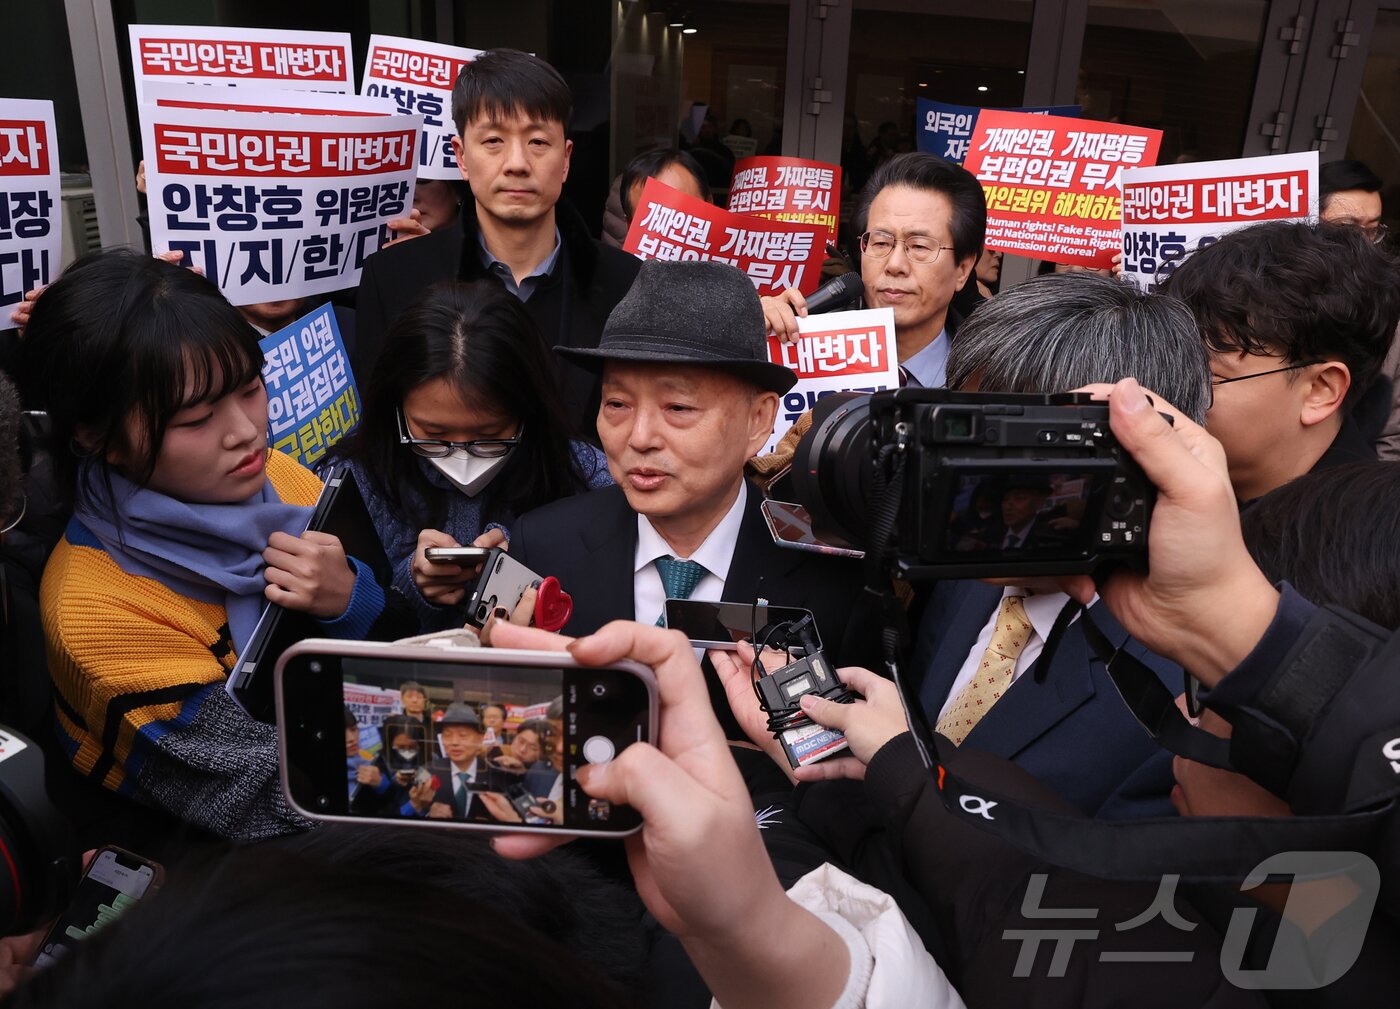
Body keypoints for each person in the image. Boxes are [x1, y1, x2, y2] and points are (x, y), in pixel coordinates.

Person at [17, 249, 398, 840]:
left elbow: (390, 627)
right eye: (196, 419)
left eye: (251, 389)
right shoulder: (96, 615)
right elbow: (275, 794)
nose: (247, 432)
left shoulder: (277, 475)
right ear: (97, 435)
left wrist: (353, 598)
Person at [508, 260, 878, 739]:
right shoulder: (542, 545)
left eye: (678, 408)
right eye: (617, 404)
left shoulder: (836, 576)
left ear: (759, 421)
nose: (639, 437)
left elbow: (849, 777)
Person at [915, 271, 1212, 818]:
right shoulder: (963, 569)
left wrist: (896, 766)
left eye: (1017, 449)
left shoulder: (1188, 701)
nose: (973, 484)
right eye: (966, 438)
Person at [354, 49, 641, 438]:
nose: (517, 162)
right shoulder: (394, 278)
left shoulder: (628, 283)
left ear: (566, 158)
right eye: (493, 141)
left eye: (538, 141)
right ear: (461, 156)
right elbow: (381, 431)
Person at [335, 281, 609, 629]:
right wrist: (411, 586)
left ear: (528, 411)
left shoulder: (586, 476)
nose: (462, 456)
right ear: (396, 407)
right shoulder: (356, 479)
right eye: (434, 435)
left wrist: (537, 559)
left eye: (490, 436)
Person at [1160, 221, 1400, 504]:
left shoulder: (1364, 538)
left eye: (1205, 377)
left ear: (1320, 390)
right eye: (1172, 367)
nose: (1172, 393)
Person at [760, 153, 984, 389]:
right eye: (881, 243)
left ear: (962, 269)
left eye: (919, 246)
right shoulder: (798, 355)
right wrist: (753, 337)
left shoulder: (991, 380)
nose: (895, 265)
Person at [414, 703, 514, 821]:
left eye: (463, 735)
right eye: (448, 735)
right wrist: (427, 814)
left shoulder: (496, 774)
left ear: (480, 739)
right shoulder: (426, 771)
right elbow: (407, 812)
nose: (454, 742)